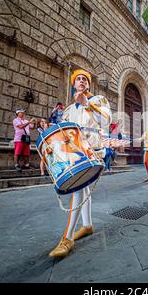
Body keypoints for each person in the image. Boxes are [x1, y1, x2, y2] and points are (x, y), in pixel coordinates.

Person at [49, 68, 111, 259]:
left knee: (77, 188)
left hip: (91, 151)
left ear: (88, 84)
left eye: (85, 79)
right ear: (74, 84)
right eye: (79, 79)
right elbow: (64, 133)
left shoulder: (98, 100)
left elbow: (106, 121)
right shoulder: (67, 110)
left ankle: (67, 238)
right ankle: (87, 225)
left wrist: (88, 105)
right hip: (73, 155)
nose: (82, 81)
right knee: (82, 190)